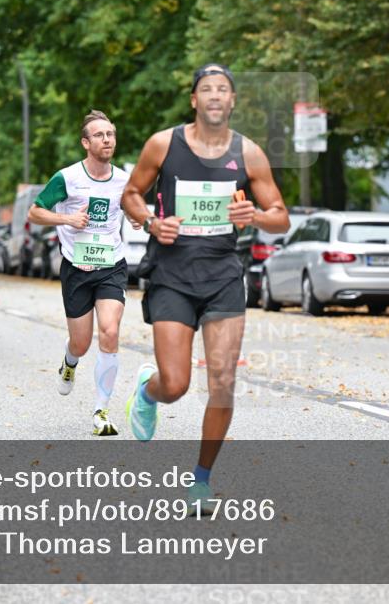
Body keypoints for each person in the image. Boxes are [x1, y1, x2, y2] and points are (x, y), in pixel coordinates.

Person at [121, 64, 289, 512]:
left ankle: (201, 480)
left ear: (232, 101)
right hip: (172, 275)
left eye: (224, 90)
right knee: (175, 384)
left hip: (222, 277)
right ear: (194, 100)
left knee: (223, 382)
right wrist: (153, 223)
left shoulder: (248, 153)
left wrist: (252, 215)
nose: (215, 96)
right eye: (206, 90)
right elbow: (131, 195)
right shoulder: (163, 144)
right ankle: (148, 390)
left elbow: (280, 215)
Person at [28, 110, 134, 437]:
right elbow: (35, 212)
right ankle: (69, 362)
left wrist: (137, 219)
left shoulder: (122, 180)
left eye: (111, 134)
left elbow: (131, 209)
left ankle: (101, 410)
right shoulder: (67, 178)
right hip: (76, 266)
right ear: (86, 142)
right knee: (81, 342)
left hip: (111, 265)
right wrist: (69, 220)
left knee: (110, 330)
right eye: (100, 135)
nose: (107, 140)